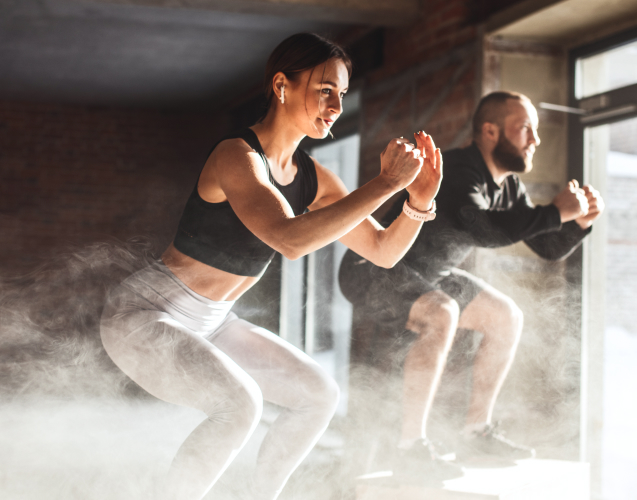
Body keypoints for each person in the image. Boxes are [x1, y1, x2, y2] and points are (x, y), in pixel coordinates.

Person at [99, 33, 443, 500]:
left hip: (215, 321)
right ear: (282, 86)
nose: (336, 106)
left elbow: (382, 250)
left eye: (342, 94)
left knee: (319, 396)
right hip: (142, 315)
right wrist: (385, 184)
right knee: (240, 405)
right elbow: (289, 238)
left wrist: (417, 203)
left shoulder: (315, 178)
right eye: (325, 90)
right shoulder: (235, 157)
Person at [339, 91, 604, 480]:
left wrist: (578, 223)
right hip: (372, 266)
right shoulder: (458, 169)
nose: (535, 139)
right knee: (441, 311)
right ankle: (409, 448)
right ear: (490, 131)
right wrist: (555, 211)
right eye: (525, 128)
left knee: (505, 316)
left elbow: (547, 246)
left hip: (428, 274)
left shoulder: (509, 187)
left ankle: (476, 432)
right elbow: (482, 228)